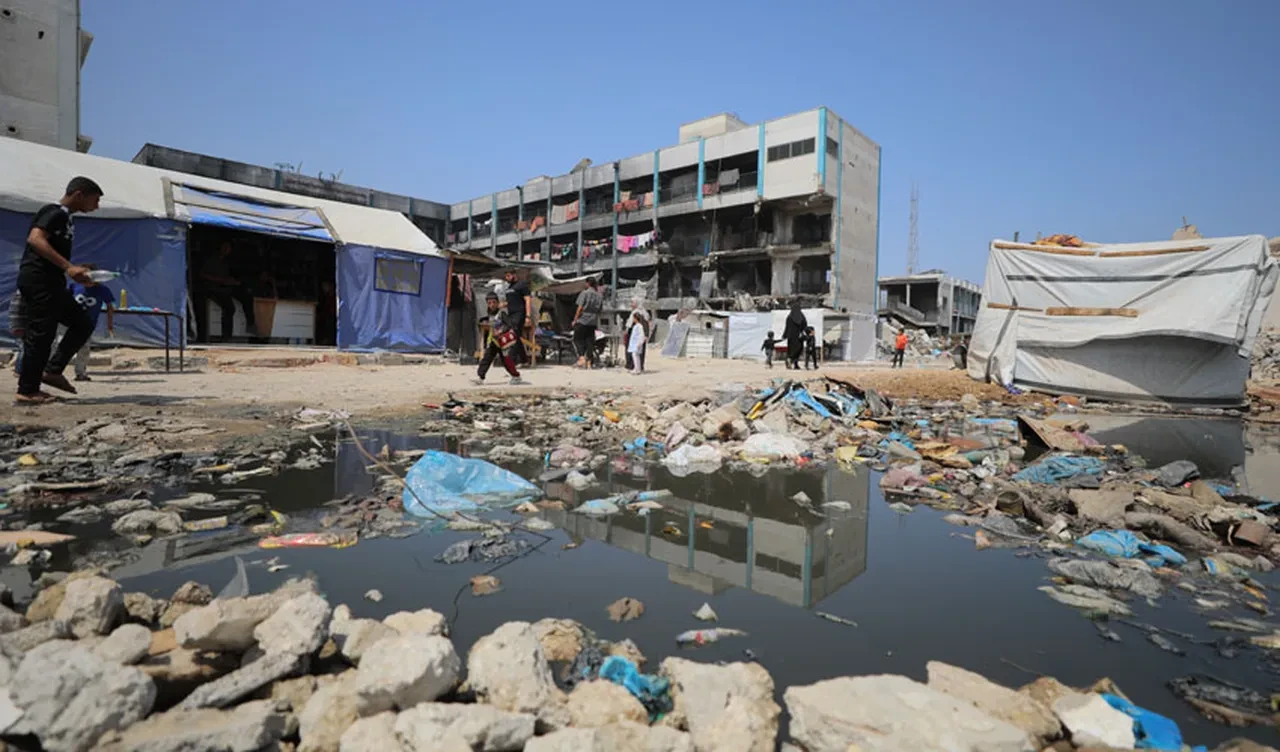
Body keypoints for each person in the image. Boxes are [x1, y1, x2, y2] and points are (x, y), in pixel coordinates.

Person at [15, 176, 101, 405]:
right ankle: (27, 390)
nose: (97, 206)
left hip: (53, 282)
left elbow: (53, 253)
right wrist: (68, 267)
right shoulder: (55, 212)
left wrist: (79, 270)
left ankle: (52, 371)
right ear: (79, 194)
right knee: (41, 334)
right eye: (96, 199)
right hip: (39, 281)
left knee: (82, 322)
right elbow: (35, 239)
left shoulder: (67, 220)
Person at [193, 241, 257, 343]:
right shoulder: (211, 259)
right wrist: (221, 280)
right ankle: (226, 336)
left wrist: (232, 281)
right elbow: (202, 274)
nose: (227, 250)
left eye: (229, 248)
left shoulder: (227, 262)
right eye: (225, 247)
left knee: (246, 296)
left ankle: (250, 323)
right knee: (229, 307)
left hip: (225, 287)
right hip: (212, 288)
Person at [67, 280, 115, 381]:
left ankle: (80, 373)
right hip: (69, 321)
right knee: (59, 345)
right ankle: (49, 371)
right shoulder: (74, 286)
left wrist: (110, 324)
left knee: (84, 348)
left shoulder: (102, 290)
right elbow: (65, 299)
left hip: (87, 324)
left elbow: (110, 307)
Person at [474, 292, 525, 385]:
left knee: (506, 361)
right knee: (487, 359)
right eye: (489, 303)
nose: (492, 305)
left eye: (494, 302)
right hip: (493, 341)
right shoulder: (489, 314)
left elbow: (509, 325)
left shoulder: (502, 313)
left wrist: (500, 331)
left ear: (497, 303)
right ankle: (480, 377)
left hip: (502, 342)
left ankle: (516, 376)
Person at [572, 277, 603, 368]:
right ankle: (589, 360)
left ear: (588, 284)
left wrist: (575, 320)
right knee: (590, 341)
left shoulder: (585, 293)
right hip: (593, 321)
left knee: (577, 338)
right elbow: (600, 311)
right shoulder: (599, 295)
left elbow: (580, 308)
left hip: (583, 320)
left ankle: (581, 358)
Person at [502, 269, 531, 364]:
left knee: (513, 336)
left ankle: (512, 360)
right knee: (516, 337)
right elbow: (511, 301)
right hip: (511, 314)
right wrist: (502, 304)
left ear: (514, 275)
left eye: (508, 276)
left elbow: (528, 300)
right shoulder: (509, 287)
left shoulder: (522, 285)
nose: (507, 278)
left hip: (520, 313)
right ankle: (524, 360)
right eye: (506, 276)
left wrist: (528, 316)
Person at [625, 301, 650, 375]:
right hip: (639, 338)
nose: (631, 304)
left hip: (637, 338)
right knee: (638, 354)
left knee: (635, 354)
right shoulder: (644, 313)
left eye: (632, 303)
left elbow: (630, 326)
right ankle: (638, 367)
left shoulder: (637, 313)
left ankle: (634, 367)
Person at [782, 303, 807, 370]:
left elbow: (787, 327)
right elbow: (805, 325)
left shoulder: (789, 317)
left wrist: (784, 335)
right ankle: (794, 363)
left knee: (791, 350)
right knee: (799, 349)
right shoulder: (801, 316)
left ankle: (790, 361)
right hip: (798, 337)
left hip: (791, 337)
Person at [8, 290, 24, 377]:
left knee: (25, 348)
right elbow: (14, 310)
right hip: (21, 326)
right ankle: (19, 370)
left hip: (24, 325)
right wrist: (16, 326)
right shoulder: (21, 293)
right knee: (24, 348)